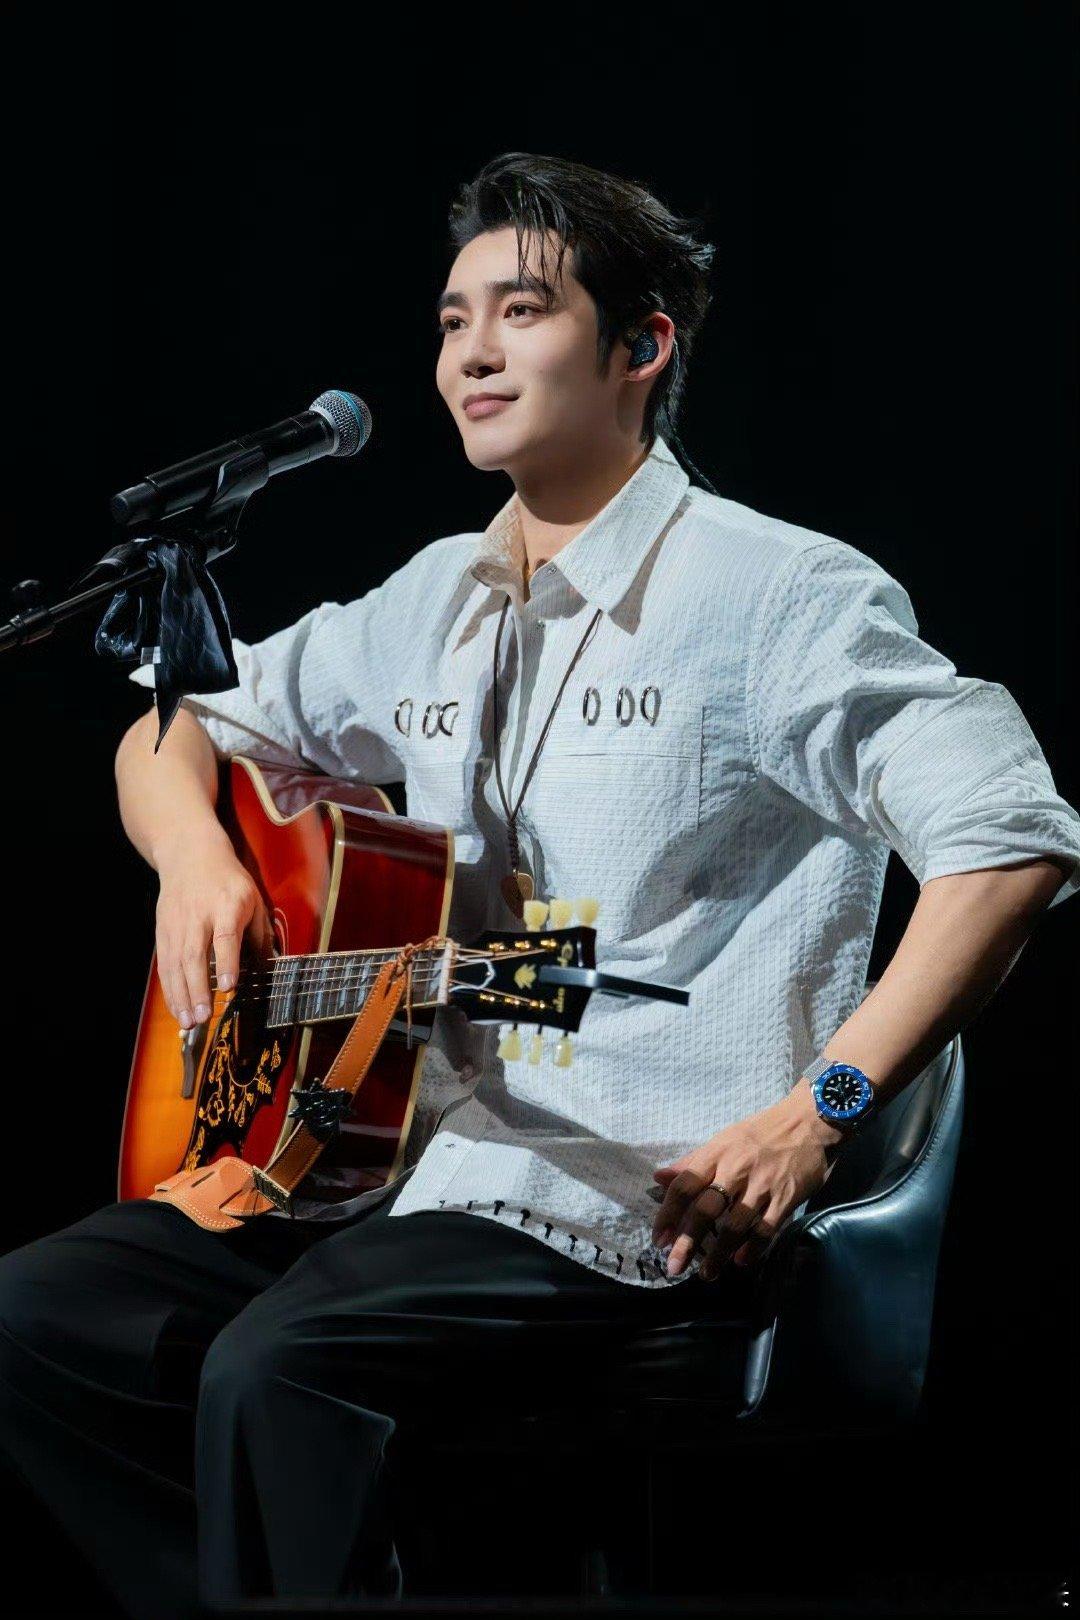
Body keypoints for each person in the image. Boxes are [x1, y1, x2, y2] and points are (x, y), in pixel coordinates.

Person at [1, 151, 1078, 1619]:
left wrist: (816, 1113)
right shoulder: (433, 599)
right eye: (453, 321)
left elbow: (1009, 836)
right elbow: (175, 724)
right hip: (400, 1168)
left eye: (523, 311)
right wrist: (192, 860)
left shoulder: (777, 594)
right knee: (39, 1316)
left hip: (629, 1184)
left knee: (279, 1372)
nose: (473, 353)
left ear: (641, 349)